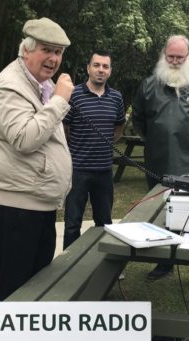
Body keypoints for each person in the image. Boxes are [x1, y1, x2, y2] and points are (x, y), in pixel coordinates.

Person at [0, 17, 74, 301]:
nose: (53, 59)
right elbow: (24, 138)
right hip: (14, 206)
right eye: (46, 50)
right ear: (26, 50)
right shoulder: (10, 86)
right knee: (15, 295)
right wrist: (60, 100)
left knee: (37, 290)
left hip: (35, 202)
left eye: (58, 52)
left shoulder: (39, 84)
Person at [132, 35, 189, 293]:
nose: (174, 61)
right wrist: (157, 139)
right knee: (160, 217)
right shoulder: (148, 85)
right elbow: (138, 119)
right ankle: (164, 262)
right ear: (163, 55)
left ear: (188, 57)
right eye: (170, 56)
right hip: (158, 163)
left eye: (179, 57)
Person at [62, 50, 126, 249]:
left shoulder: (116, 98)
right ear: (88, 68)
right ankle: (68, 265)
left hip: (104, 171)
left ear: (110, 71)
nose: (101, 70)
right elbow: (65, 130)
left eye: (105, 66)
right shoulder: (74, 95)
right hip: (78, 170)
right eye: (96, 65)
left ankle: (104, 263)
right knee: (73, 222)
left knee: (104, 222)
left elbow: (118, 128)